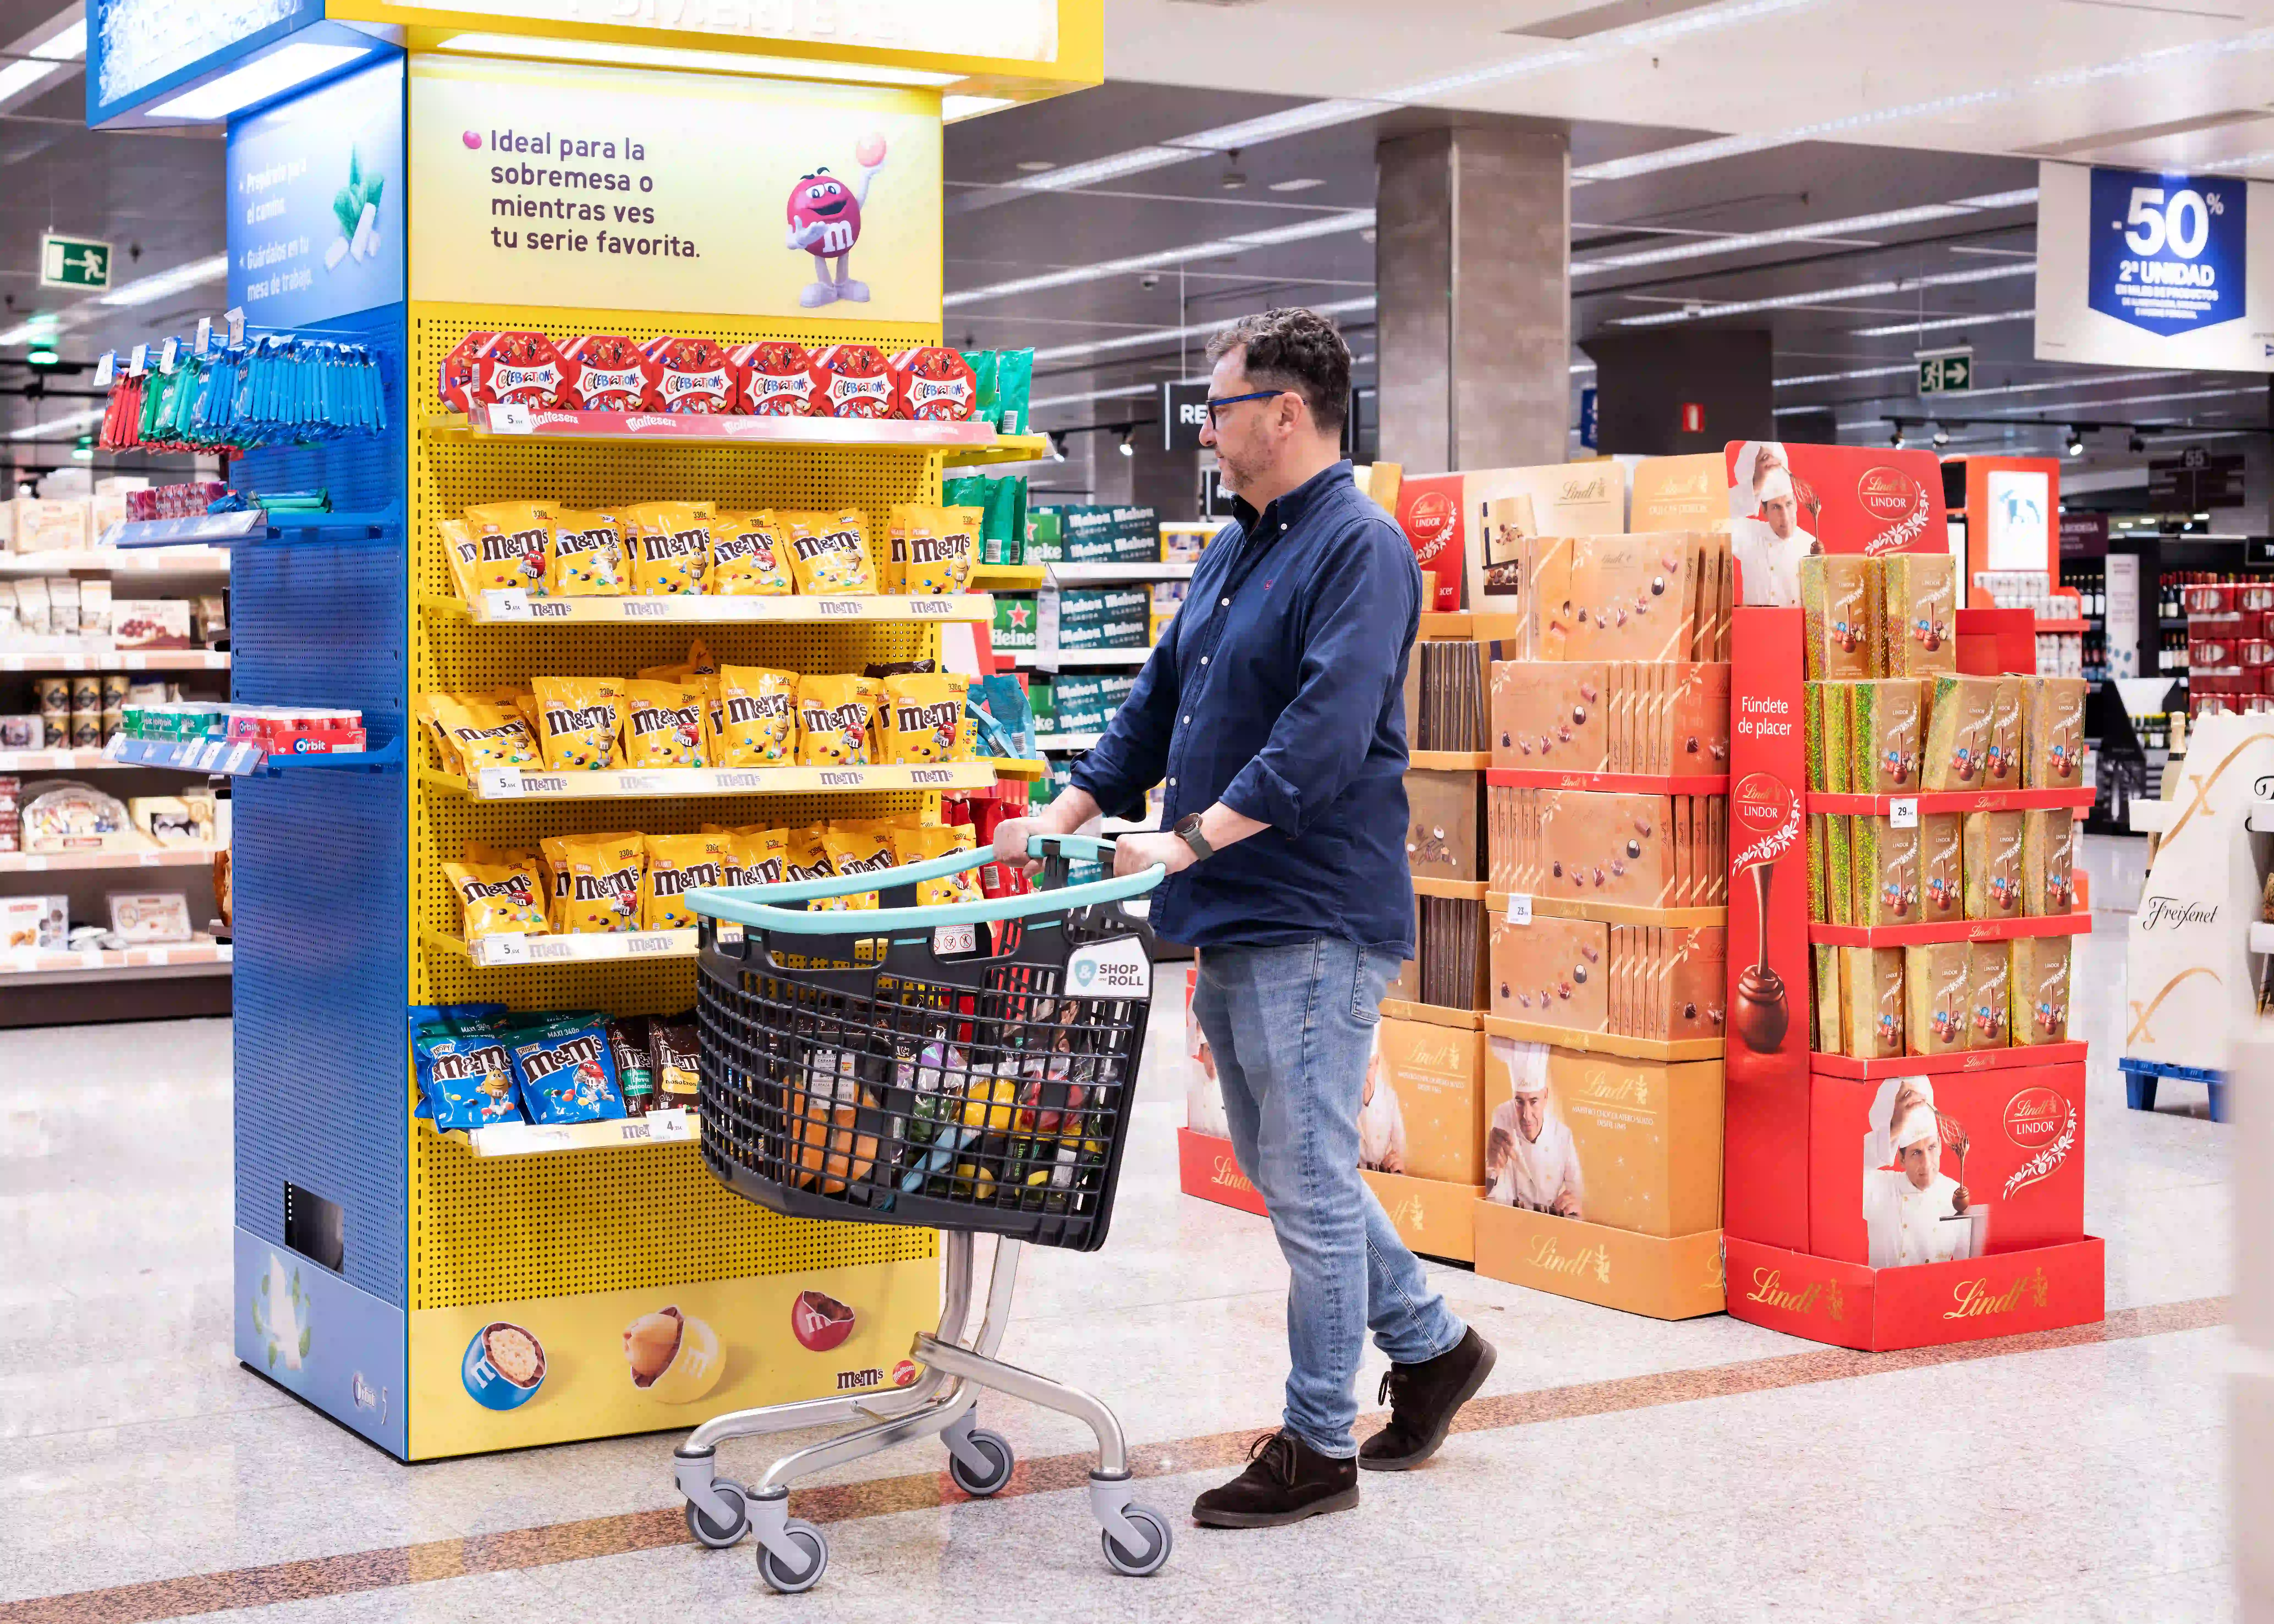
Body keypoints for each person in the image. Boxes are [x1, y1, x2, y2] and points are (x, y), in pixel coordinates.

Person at [992, 307, 1495, 1529]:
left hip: (1317, 910)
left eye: (1218, 408)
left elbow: (1324, 735)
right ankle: (1432, 1345)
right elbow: (1158, 703)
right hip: (1234, 911)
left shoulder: (1361, 552)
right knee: (1280, 1165)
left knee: (1311, 1175)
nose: (1205, 431)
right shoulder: (1234, 551)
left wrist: (1188, 835)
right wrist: (1059, 816)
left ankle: (1318, 1441)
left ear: (1284, 411)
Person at [1863, 1085, 1969, 1268]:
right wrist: (1893, 1130)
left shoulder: (1956, 1194)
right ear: (1901, 1159)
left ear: (1941, 1147)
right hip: (1887, 1295)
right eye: (1916, 1153)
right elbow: (1842, 1170)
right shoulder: (1880, 1188)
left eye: (1932, 1148)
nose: (1927, 1163)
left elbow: (1967, 1268)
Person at [1483, 1039, 1581, 1218]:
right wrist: (1492, 1170)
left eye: (1534, 1102)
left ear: (1545, 1097)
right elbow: (1495, 1197)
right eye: (1519, 1102)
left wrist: (1576, 1204)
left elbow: (1578, 1193)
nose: (1526, 1115)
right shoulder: (1502, 1117)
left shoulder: (1563, 1136)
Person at [1729, 464, 1817, 607]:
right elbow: (1715, 519)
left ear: (1796, 504)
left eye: (1789, 504)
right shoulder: (1750, 534)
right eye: (1776, 507)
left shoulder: (1811, 545)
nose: (1785, 517)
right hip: (1755, 626)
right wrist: (1753, 488)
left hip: (1793, 627)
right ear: (1765, 511)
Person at [1356, 1034, 1405, 1174]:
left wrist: (1398, 1168)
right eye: (1357, 1067)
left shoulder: (1390, 1098)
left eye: (1368, 1066)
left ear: (1377, 1063)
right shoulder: (1337, 1098)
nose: (1362, 1077)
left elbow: (1400, 1152)